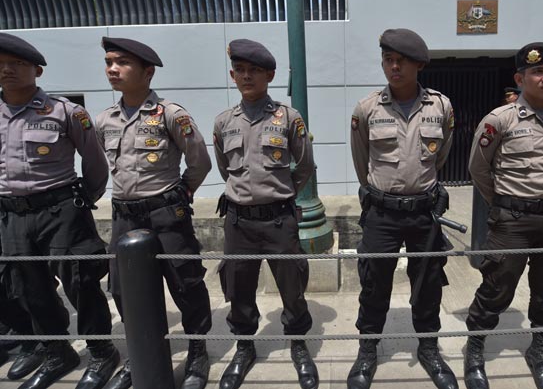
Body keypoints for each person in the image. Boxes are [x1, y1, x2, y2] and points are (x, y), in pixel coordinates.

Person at [0, 32, 119, 389]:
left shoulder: (65, 112)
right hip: (11, 215)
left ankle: (101, 352)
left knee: (81, 283)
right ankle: (57, 351)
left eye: (17, 63)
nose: (7, 70)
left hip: (60, 210)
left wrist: (80, 201)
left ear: (37, 70)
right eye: (1, 64)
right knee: (27, 288)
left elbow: (95, 164)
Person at [94, 37, 213, 389]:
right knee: (123, 288)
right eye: (109, 62)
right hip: (125, 216)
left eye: (122, 62)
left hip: (165, 213)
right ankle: (139, 354)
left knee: (185, 282)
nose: (112, 69)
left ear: (147, 72)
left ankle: (197, 350)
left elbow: (199, 161)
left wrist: (183, 192)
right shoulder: (104, 120)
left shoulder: (171, 114)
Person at [348, 28, 457, 389]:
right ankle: (367, 349)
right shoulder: (367, 108)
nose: (394, 67)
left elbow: (440, 156)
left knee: (428, 283)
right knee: (373, 282)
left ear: (419, 65)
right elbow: (361, 160)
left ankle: (428, 347)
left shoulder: (441, 106)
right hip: (382, 213)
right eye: (388, 60)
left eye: (402, 61)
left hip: (424, 213)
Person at [465, 42, 543, 389]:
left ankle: (539, 351)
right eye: (538, 71)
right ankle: (475, 348)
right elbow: (478, 169)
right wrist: (504, 203)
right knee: (497, 287)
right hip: (512, 221)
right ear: (520, 78)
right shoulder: (500, 120)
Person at [213, 39, 318, 389]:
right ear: (233, 75)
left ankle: (298, 343)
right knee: (238, 287)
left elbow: (304, 165)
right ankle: (245, 347)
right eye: (240, 70)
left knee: (292, 285)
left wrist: (278, 194)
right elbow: (224, 169)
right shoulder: (223, 121)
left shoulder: (288, 118)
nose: (247, 76)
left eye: (254, 70)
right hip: (238, 221)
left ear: (269, 75)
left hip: (278, 220)